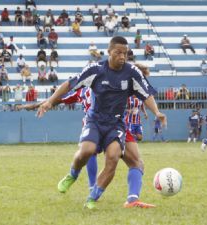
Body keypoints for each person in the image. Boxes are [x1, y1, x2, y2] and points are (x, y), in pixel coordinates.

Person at [36, 36, 166, 209]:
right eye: (118, 52)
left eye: (125, 53)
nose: (122, 56)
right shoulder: (96, 70)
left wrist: (157, 112)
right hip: (95, 120)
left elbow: (146, 93)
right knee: (87, 151)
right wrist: (50, 101)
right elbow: (69, 84)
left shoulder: (132, 72)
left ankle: (93, 197)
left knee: (112, 158)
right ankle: (73, 174)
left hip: (116, 124)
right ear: (109, 52)